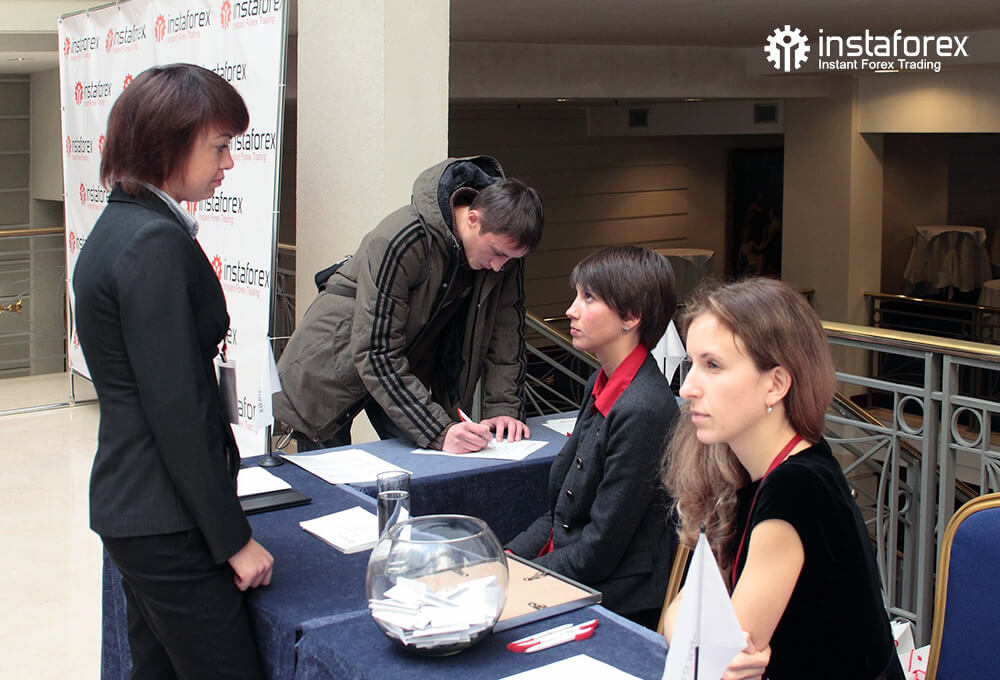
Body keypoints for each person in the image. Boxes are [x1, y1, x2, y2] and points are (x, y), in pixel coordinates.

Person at [73, 64, 272, 679]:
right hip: (165, 515)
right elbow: (178, 410)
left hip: (141, 505)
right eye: (219, 146)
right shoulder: (151, 242)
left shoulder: (121, 226)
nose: (229, 162)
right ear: (167, 143)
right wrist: (233, 539)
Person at [662, 278, 904, 680]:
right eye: (691, 364)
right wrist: (696, 639)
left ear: (775, 384)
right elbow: (688, 619)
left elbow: (714, 657)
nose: (687, 388)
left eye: (713, 365)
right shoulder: (750, 468)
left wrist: (698, 641)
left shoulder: (796, 489)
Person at [274, 156, 544, 453]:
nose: (498, 266)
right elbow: (375, 351)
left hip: (400, 371)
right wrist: (438, 430)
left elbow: (505, 337)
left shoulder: (504, 253)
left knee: (422, 467)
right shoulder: (402, 238)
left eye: (510, 259)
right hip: (330, 364)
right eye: (496, 253)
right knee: (329, 476)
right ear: (473, 219)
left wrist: (503, 408)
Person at [506, 245, 679, 628]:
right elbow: (560, 516)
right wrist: (506, 559)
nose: (571, 310)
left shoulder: (644, 408)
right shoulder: (600, 382)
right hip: (577, 571)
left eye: (588, 298)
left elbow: (601, 549)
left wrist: (519, 577)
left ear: (631, 316)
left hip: (617, 599)